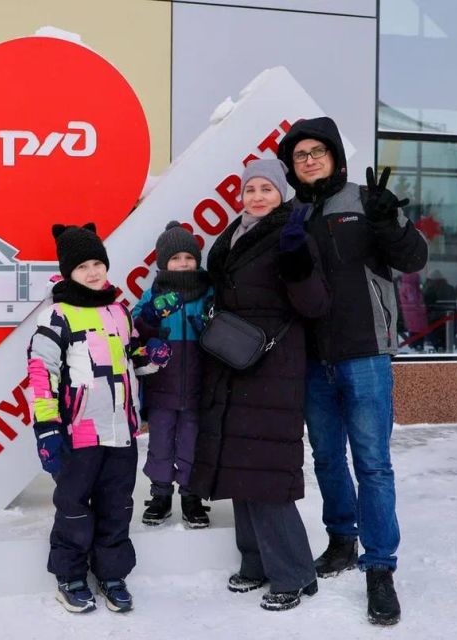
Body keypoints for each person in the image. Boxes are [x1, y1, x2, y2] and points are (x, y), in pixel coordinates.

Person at [277, 117, 428, 626]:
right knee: (325, 457)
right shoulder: (292, 213)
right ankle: (341, 537)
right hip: (312, 358)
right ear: (292, 168)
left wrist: (392, 222)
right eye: (301, 155)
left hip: (365, 352)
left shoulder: (367, 201)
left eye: (318, 151)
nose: (310, 160)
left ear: (336, 156)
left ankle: (380, 567)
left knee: (373, 462)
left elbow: (414, 259)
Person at [190, 158, 331, 612]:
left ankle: (294, 573)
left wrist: (297, 262)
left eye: (266, 189)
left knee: (267, 471)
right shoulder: (234, 235)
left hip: (272, 362)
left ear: (282, 193)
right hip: (233, 358)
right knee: (240, 467)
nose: (256, 197)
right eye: (250, 189)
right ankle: (255, 561)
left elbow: (313, 305)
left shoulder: (293, 234)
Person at [26, 223, 169, 614]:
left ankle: (111, 574)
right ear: (68, 272)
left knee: (117, 505)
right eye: (82, 266)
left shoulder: (119, 311)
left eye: (97, 263)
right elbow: (41, 376)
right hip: (78, 433)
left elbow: (130, 360)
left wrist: (150, 357)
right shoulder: (57, 317)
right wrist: (48, 430)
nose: (92, 272)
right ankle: (70, 576)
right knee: (73, 506)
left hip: (121, 432)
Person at [133, 221, 214, 528]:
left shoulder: (208, 291)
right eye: (175, 259)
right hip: (161, 384)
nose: (183, 264)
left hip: (197, 384)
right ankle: (161, 494)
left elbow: (220, 324)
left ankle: (191, 496)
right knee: (161, 441)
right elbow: (136, 327)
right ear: (163, 263)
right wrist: (152, 320)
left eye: (189, 258)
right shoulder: (154, 292)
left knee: (193, 441)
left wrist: (205, 326)